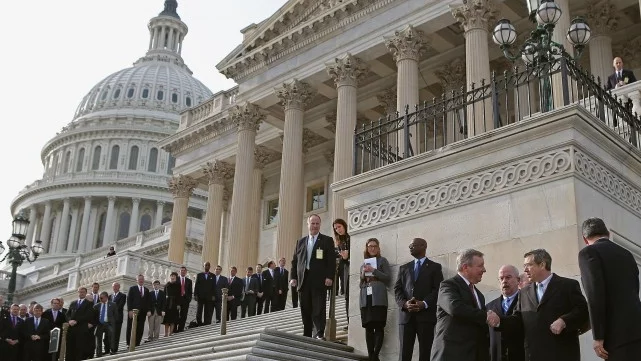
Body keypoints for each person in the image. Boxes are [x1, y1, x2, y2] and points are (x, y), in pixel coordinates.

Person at [493, 249, 589, 361]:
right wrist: (499, 321)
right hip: (534, 355)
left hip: (562, 354)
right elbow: (517, 320)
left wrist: (564, 321)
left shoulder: (568, 285)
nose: (525, 270)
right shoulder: (524, 292)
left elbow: (582, 310)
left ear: (542, 264)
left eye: (528, 265)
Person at [578, 218, 641, 361]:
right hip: (636, 330)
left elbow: (594, 295)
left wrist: (598, 336)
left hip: (615, 336)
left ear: (584, 239)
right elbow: (635, 289)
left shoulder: (588, 253)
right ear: (607, 234)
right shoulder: (626, 254)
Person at [431, 249, 491, 361]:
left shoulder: (479, 295)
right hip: (451, 354)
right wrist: (486, 316)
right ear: (465, 267)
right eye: (480, 266)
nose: (484, 270)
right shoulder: (448, 286)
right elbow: (455, 308)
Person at [394, 238, 444, 361]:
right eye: (409, 245)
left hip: (426, 317)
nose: (410, 247)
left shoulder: (435, 267)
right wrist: (404, 304)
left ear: (423, 246)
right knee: (404, 354)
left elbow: (438, 289)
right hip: (406, 317)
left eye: (413, 245)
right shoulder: (404, 268)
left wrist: (424, 303)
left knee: (426, 353)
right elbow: (397, 290)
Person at [290, 214, 336, 340]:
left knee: (319, 307)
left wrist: (329, 276)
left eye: (317, 224)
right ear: (308, 224)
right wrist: (293, 277)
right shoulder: (300, 242)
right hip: (303, 280)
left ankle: (319, 332)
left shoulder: (327, 240)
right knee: (305, 308)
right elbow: (295, 261)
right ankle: (307, 334)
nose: (315, 226)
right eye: (312, 223)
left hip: (319, 280)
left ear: (320, 225)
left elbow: (331, 261)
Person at [360, 238, 391, 361]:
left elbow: (388, 278)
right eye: (369, 246)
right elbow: (360, 283)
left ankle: (375, 355)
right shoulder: (364, 263)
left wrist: (374, 271)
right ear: (366, 248)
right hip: (366, 296)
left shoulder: (383, 261)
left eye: (374, 246)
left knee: (378, 325)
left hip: (378, 296)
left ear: (378, 248)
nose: (372, 248)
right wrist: (363, 273)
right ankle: (370, 354)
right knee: (368, 327)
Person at [486, 265, 524, 361]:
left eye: (508, 277)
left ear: (518, 280)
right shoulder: (489, 307)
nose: (504, 281)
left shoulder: (528, 301)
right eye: (501, 278)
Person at [66, 287, 94, 361]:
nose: (81, 293)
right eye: (80, 292)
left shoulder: (89, 304)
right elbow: (67, 314)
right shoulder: (73, 303)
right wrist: (69, 321)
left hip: (81, 329)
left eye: (83, 292)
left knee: (79, 348)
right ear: (78, 292)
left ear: (85, 293)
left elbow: (87, 315)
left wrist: (76, 321)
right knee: (70, 347)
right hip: (71, 329)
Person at [333, 218, 350, 330]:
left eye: (339, 226)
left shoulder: (351, 237)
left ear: (344, 225)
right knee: (347, 297)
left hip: (352, 269)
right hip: (344, 271)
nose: (338, 230)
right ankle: (349, 322)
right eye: (335, 228)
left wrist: (347, 256)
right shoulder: (339, 242)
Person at [126, 274, 151, 347]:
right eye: (139, 279)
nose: (141, 280)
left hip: (143, 313)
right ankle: (129, 343)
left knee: (140, 328)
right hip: (133, 312)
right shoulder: (132, 288)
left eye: (142, 279)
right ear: (137, 280)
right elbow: (129, 300)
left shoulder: (146, 290)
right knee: (131, 327)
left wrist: (148, 310)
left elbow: (148, 301)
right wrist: (129, 310)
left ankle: (137, 343)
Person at [93, 292, 117, 356]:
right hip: (100, 324)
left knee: (111, 336)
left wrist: (112, 322)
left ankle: (112, 350)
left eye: (101, 298)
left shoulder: (113, 304)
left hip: (109, 323)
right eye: (99, 298)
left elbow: (116, 315)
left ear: (106, 297)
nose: (100, 299)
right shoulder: (96, 306)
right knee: (98, 338)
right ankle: (99, 353)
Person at [194, 262, 216, 326]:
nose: (207, 266)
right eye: (205, 265)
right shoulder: (199, 275)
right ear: (203, 266)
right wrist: (195, 294)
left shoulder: (213, 276)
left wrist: (213, 295)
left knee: (207, 310)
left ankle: (206, 322)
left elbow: (214, 286)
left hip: (209, 296)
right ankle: (199, 322)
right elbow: (196, 285)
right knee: (199, 310)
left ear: (209, 267)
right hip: (200, 296)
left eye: (208, 265)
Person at [109, 282, 126, 353]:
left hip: (117, 318)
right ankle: (109, 348)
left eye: (116, 286)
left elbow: (120, 306)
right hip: (110, 319)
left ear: (119, 287)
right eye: (113, 286)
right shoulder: (110, 296)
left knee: (116, 334)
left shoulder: (123, 295)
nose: (115, 287)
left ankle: (114, 349)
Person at [175, 266, 192, 333]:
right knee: (176, 315)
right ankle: (174, 329)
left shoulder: (189, 281)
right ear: (179, 271)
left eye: (184, 270)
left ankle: (180, 329)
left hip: (185, 300)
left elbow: (190, 292)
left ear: (186, 272)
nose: (183, 271)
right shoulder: (176, 279)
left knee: (184, 315)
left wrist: (189, 299)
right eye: (181, 270)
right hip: (177, 300)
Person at [163, 272, 180, 337]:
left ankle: (171, 333)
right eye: (172, 276)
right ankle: (166, 333)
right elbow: (164, 294)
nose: (173, 277)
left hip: (175, 304)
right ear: (170, 277)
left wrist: (178, 304)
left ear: (176, 277)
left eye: (174, 276)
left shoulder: (178, 285)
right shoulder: (167, 285)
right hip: (167, 303)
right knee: (167, 320)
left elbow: (179, 296)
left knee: (173, 319)